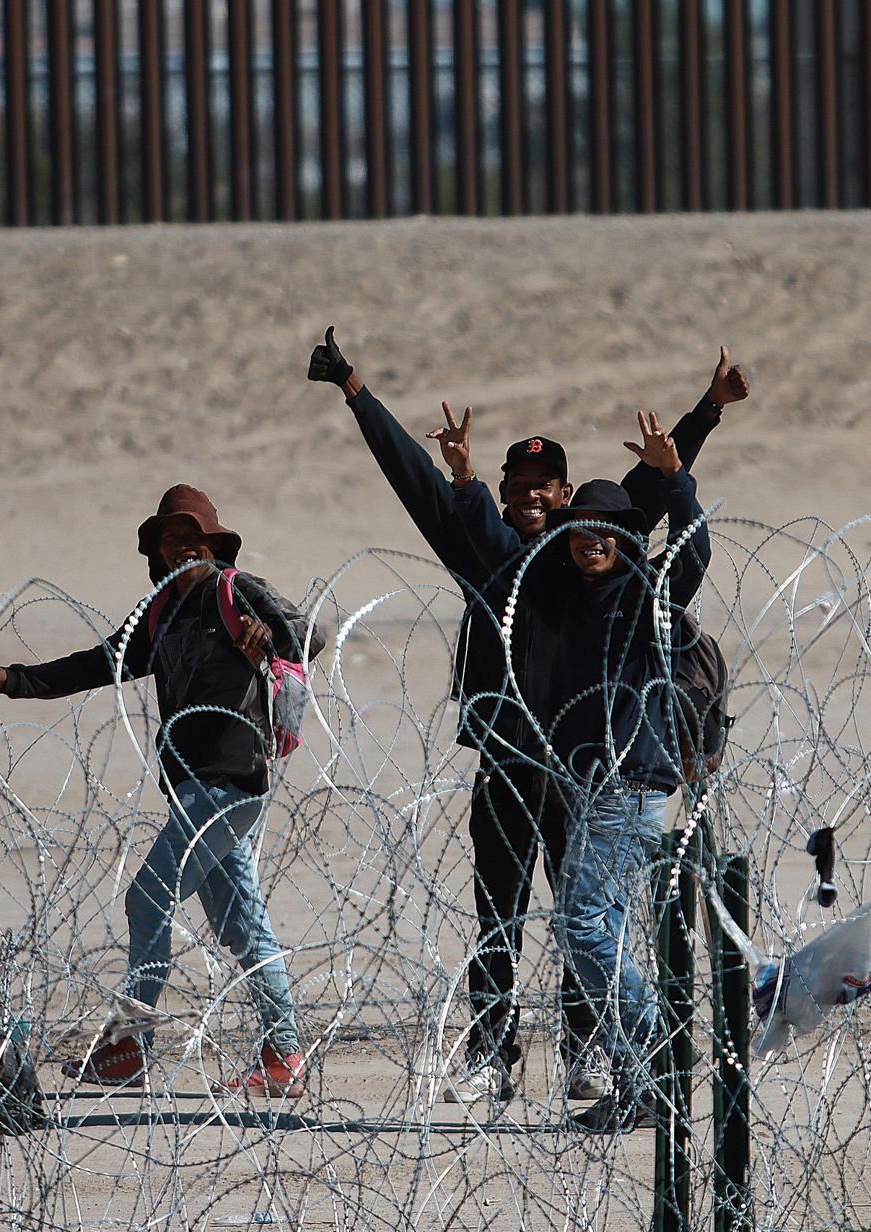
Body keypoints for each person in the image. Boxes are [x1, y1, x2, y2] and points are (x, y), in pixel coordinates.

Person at [309, 327, 747, 1105]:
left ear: (569, 497)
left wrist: (707, 410)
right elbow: (414, 480)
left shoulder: (596, 558)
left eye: (549, 485)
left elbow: (651, 490)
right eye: (520, 484)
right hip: (511, 765)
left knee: (587, 919)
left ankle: (592, 1051)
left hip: (588, 769)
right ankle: (492, 1052)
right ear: (504, 492)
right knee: (500, 916)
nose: (535, 495)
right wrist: (357, 393)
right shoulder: (494, 558)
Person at [0, 485, 326, 1099]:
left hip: (231, 784)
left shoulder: (237, 590)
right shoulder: (161, 612)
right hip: (191, 788)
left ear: (214, 545)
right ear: (158, 551)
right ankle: (284, 1056)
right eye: (171, 538)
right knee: (243, 927)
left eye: (194, 537)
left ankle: (128, 1046)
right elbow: (96, 664)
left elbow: (309, 635)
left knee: (147, 898)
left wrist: (267, 636)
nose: (183, 547)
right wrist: (9, 679)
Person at [447, 404, 715, 1132]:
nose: (591, 539)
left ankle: (659, 1045)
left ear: (627, 537)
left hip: (627, 785)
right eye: (580, 530)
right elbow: (492, 541)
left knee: (583, 929)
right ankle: (641, 1082)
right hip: (585, 784)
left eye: (607, 530)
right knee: (600, 930)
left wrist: (676, 478)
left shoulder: (648, 593)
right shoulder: (552, 589)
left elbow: (693, 552)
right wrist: (467, 484)